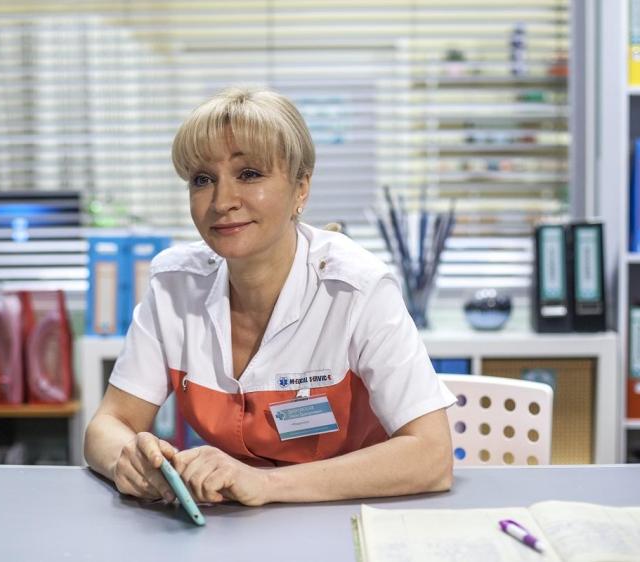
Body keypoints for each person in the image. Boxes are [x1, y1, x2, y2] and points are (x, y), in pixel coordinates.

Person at [84, 87, 455, 506]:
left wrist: (264, 484)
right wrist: (129, 460)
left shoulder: (357, 289)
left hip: (350, 513)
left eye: (249, 174)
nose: (222, 201)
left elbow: (432, 456)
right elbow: (107, 425)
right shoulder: (175, 285)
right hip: (232, 522)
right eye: (203, 179)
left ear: (301, 188)